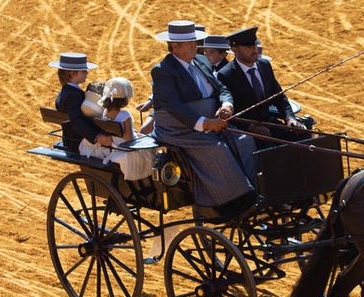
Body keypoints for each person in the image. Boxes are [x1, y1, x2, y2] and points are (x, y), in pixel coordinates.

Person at [149, 19, 259, 216]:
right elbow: (174, 106)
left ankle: (252, 191)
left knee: (243, 140)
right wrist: (204, 123)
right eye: (190, 43)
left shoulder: (201, 62)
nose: (195, 46)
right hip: (180, 129)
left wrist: (227, 105)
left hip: (211, 122)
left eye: (195, 42)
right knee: (215, 149)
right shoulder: (163, 71)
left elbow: (222, 89)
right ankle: (229, 201)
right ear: (175, 47)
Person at [217, 26, 309, 142]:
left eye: (255, 45)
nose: (254, 49)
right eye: (248, 46)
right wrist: (251, 128)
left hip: (270, 124)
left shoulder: (264, 65)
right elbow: (229, 115)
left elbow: (279, 97)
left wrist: (290, 118)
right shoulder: (225, 75)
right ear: (234, 49)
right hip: (247, 132)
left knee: (303, 136)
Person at [80, 77, 155, 181]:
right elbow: (129, 139)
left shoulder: (105, 113)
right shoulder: (125, 116)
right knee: (151, 150)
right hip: (125, 148)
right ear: (124, 101)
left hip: (114, 148)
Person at [50, 52, 114, 154]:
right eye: (84, 71)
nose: (87, 73)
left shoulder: (66, 92)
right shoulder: (73, 96)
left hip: (70, 139)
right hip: (77, 142)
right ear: (72, 73)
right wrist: (97, 137)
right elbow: (77, 121)